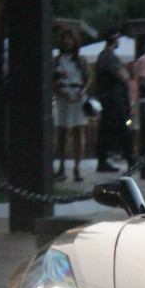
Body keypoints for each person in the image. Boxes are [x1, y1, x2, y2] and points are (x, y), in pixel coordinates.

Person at [52, 29, 89, 182]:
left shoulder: (81, 60)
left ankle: (77, 167)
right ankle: (61, 166)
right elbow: (51, 80)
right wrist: (60, 91)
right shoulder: (56, 60)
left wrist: (83, 91)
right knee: (62, 133)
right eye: (64, 38)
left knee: (78, 132)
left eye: (70, 39)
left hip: (78, 95)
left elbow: (87, 79)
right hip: (63, 97)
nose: (67, 42)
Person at [95, 33, 133, 173]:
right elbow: (122, 76)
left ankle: (105, 160)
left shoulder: (105, 57)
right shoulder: (108, 57)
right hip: (113, 100)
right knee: (121, 129)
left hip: (112, 99)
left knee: (109, 130)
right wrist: (125, 73)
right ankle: (130, 158)